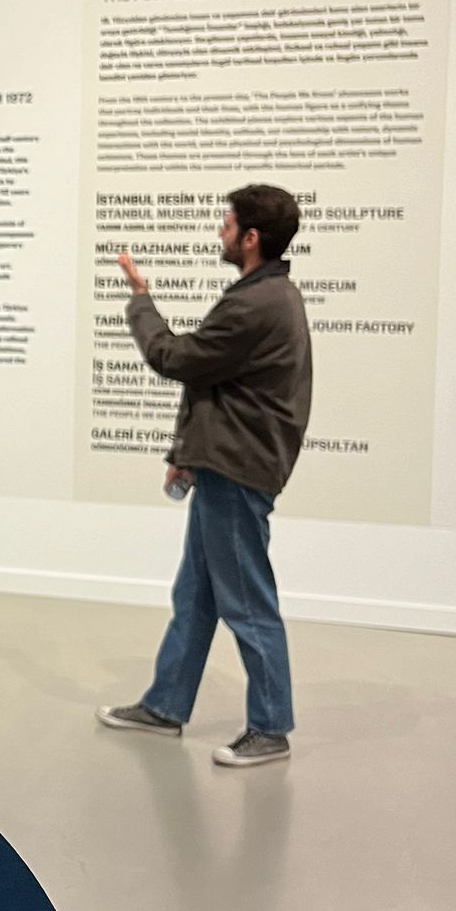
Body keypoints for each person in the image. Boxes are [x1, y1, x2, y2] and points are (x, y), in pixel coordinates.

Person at [98, 185, 312, 768]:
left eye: (228, 224)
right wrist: (188, 451)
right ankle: (166, 705)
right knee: (195, 595)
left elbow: (177, 359)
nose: (220, 231)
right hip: (226, 463)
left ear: (251, 237)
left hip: (238, 470)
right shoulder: (266, 295)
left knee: (247, 602)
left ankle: (270, 727)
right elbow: (216, 385)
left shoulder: (257, 303)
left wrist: (140, 300)